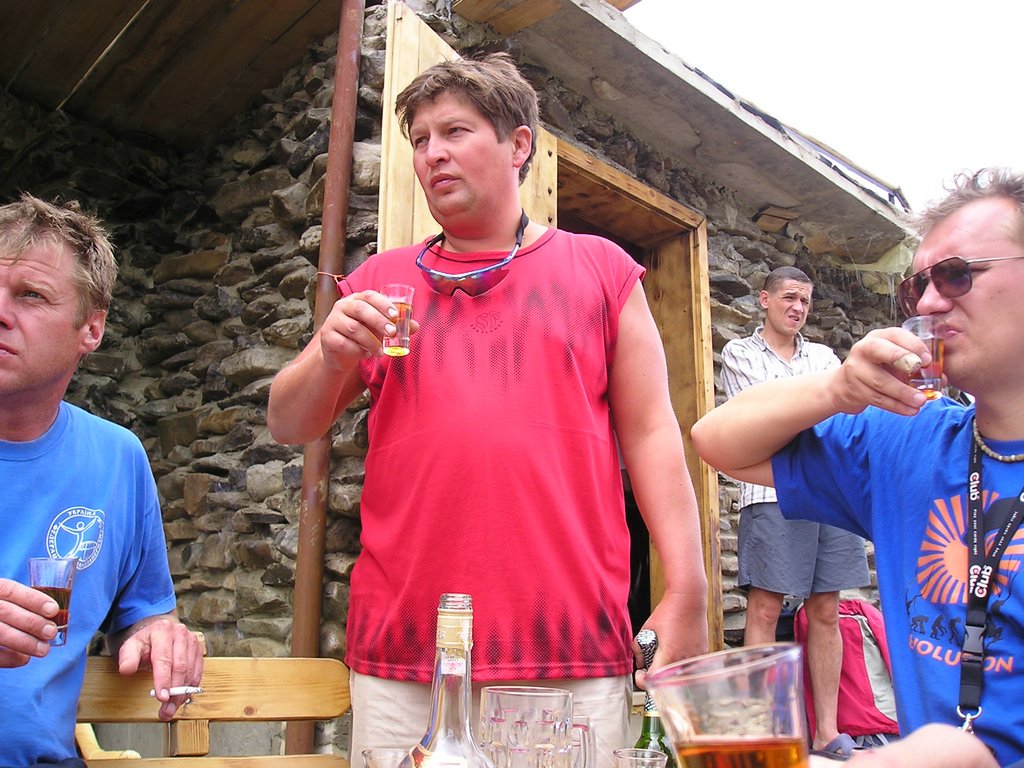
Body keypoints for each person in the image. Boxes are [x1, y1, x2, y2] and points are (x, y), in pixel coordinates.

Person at [267, 53, 709, 764]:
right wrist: (329, 353)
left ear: (518, 144)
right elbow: (289, 423)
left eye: (455, 131)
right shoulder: (379, 283)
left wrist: (687, 589)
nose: (432, 153)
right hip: (406, 656)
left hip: (565, 650)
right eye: (420, 140)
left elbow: (653, 435)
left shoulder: (602, 270)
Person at [691, 168, 1024, 766]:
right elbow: (716, 439)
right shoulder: (909, 439)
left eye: (956, 274)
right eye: (915, 288)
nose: (928, 303)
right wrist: (838, 388)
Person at [0, 194, 204, 768]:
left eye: (31, 295)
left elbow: (141, 615)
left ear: (91, 329)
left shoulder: (116, 459)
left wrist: (161, 635)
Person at [720, 266, 869, 758]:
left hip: (830, 493)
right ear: (764, 299)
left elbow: (840, 418)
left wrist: (805, 414)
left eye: (804, 300)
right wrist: (814, 409)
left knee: (826, 609)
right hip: (771, 494)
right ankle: (764, 733)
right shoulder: (739, 353)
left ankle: (826, 732)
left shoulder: (825, 356)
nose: (798, 308)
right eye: (789, 297)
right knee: (765, 607)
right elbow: (761, 422)